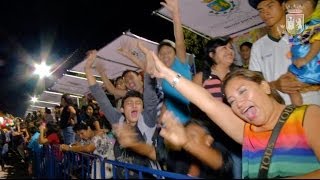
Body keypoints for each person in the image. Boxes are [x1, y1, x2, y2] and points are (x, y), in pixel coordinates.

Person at [139, 42, 320, 178]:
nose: (238, 103)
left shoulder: (307, 116)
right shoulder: (247, 132)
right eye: (231, 101)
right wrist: (166, 73)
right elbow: (208, 103)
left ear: (265, 86)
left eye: (242, 91)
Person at [84, 49, 160, 178]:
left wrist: (148, 55)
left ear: (143, 108)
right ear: (122, 110)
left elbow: (150, 88)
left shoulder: (147, 121)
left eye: (138, 103)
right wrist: (87, 69)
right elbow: (101, 97)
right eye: (129, 103)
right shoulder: (118, 120)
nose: (134, 105)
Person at [248, 0, 320, 105]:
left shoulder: (307, 32)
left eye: (270, 6)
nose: (265, 13)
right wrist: (276, 85)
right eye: (261, 10)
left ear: (284, 6)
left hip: (315, 103)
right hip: (282, 110)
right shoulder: (258, 46)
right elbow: (255, 84)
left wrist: (310, 82)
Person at [192, 36, 242, 178]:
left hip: (237, 133)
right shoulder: (201, 78)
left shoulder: (239, 75)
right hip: (213, 136)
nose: (230, 51)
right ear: (211, 55)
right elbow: (195, 110)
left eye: (230, 48)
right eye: (224, 48)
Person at [285, 0, 320, 106]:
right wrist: (291, 52)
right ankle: (298, 107)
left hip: (311, 64)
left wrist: (306, 59)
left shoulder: (314, 24)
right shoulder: (297, 25)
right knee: (288, 83)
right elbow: (294, 42)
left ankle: (299, 107)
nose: (293, 10)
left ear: (312, 6)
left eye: (299, 5)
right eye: (290, 7)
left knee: (291, 84)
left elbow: (317, 44)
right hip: (299, 62)